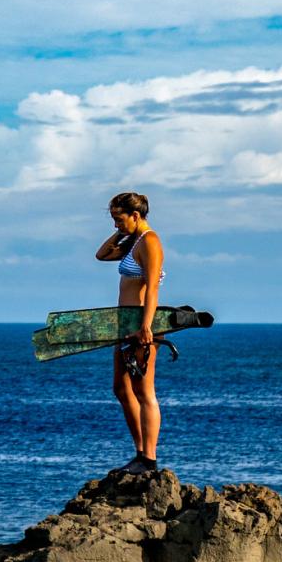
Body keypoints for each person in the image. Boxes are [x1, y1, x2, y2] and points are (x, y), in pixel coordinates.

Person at [93, 191, 165, 476]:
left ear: (136, 215)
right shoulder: (134, 240)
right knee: (121, 389)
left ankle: (149, 458)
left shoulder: (150, 242)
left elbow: (153, 288)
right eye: (113, 219)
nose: (115, 225)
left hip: (140, 326)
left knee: (144, 391)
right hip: (124, 327)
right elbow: (101, 255)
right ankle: (139, 453)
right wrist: (122, 234)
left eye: (119, 219)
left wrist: (146, 326)